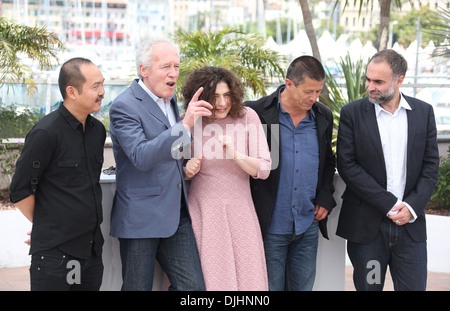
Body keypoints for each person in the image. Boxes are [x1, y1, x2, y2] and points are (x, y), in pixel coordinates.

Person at [109, 37, 211, 291]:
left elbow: (173, 149)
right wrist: (184, 125)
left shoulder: (171, 101)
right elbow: (141, 156)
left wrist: (186, 166)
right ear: (144, 70)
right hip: (140, 218)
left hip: (177, 216)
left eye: (176, 66)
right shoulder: (124, 105)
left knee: (194, 289)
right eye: (166, 66)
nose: (174, 73)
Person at [336, 49, 440, 291]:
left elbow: (430, 166)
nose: (370, 86)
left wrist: (412, 207)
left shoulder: (423, 113)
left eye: (378, 82)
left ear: (399, 80)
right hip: (367, 232)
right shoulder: (352, 113)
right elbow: (348, 165)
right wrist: (390, 204)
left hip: (410, 229)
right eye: (368, 79)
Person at [9, 57, 106, 291]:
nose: (102, 92)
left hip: (91, 253)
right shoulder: (46, 133)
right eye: (96, 86)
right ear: (72, 91)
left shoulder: (97, 131)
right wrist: (47, 226)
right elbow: (20, 190)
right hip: (56, 256)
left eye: (102, 84)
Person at [245, 56, 336, 291]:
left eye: (318, 91)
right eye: (308, 91)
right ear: (289, 83)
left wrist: (326, 197)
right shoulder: (256, 113)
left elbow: (328, 161)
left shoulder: (323, 116)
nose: (314, 98)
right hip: (269, 226)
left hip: (307, 226)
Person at [182, 66, 271, 291]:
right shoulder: (188, 121)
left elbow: (264, 168)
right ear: (202, 98)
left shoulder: (248, 117)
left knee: (247, 279)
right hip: (203, 212)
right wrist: (186, 170)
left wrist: (236, 156)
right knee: (206, 280)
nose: (222, 103)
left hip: (240, 212)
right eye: (215, 97)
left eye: (227, 95)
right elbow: (172, 164)